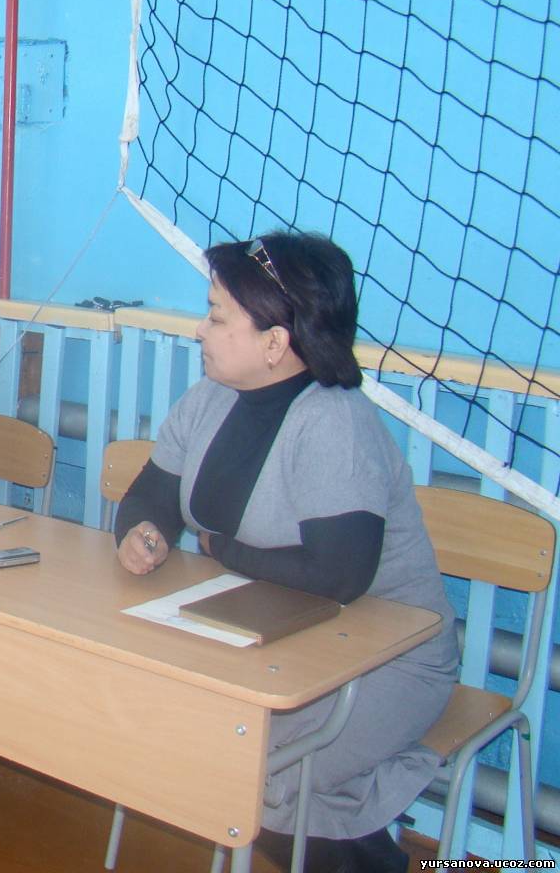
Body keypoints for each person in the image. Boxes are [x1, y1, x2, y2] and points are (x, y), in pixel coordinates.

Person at [113, 232, 458, 873]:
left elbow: (338, 575)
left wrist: (222, 550)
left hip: (386, 656)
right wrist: (141, 533)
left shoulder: (334, 422)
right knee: (196, 735)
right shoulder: (209, 398)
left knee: (250, 765)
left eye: (218, 317)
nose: (200, 330)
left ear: (274, 343)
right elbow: (148, 497)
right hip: (276, 630)